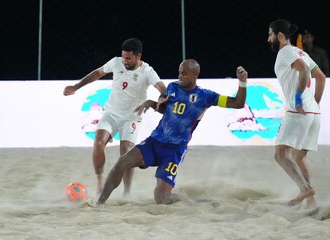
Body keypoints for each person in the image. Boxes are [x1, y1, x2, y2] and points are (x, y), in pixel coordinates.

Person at [96, 59, 248, 205]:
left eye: (184, 73)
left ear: (195, 75)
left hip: (175, 150)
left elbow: (238, 103)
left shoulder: (206, 96)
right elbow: (165, 109)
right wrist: (152, 103)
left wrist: (242, 82)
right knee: (121, 163)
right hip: (155, 142)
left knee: (161, 198)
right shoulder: (173, 87)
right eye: (179, 72)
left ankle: (181, 197)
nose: (180, 76)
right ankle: (100, 203)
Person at [63, 38, 167, 196]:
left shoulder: (147, 71)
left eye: (128, 58)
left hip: (132, 118)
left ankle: (127, 193)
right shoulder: (116, 62)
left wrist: (162, 97)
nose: (124, 61)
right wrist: (76, 87)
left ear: (139, 56)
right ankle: (100, 182)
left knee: (126, 152)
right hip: (111, 113)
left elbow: (161, 87)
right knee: (98, 142)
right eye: (123, 56)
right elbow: (97, 73)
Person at [267, 19, 326, 208]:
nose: (268, 39)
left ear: (280, 36)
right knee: (298, 157)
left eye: (270, 34)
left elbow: (304, 70)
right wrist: (315, 103)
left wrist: (300, 100)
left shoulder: (286, 52)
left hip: (297, 111)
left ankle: (304, 189)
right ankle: (311, 202)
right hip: (313, 114)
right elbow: (321, 77)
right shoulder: (302, 52)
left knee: (280, 154)